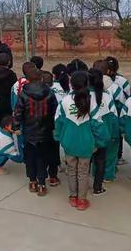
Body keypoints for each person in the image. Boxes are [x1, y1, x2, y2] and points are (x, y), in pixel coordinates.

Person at [54, 71, 109, 211]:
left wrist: (60, 138)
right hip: (86, 144)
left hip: (69, 143)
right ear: (87, 84)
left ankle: (72, 197)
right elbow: (98, 125)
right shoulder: (92, 102)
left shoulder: (65, 101)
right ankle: (82, 201)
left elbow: (58, 122)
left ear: (71, 84)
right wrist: (100, 143)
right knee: (83, 172)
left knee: (71, 170)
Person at [13, 66, 57, 197]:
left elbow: (18, 112)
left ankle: (32, 181)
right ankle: (42, 184)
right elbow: (55, 111)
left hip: (29, 132)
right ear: (41, 77)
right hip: (46, 131)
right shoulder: (49, 92)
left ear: (27, 79)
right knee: (42, 158)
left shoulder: (23, 94)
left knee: (30, 157)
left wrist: (16, 127)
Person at [93, 60, 124, 182]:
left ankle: (95, 173)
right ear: (108, 71)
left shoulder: (88, 86)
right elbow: (121, 105)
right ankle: (108, 175)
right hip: (110, 123)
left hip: (94, 123)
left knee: (95, 150)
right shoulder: (115, 87)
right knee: (111, 151)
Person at [88, 68, 118, 195]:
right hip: (104, 134)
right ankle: (100, 185)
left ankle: (83, 183)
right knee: (103, 159)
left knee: (85, 160)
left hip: (87, 134)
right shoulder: (106, 96)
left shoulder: (81, 95)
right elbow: (113, 116)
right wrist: (113, 134)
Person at [105, 56, 131, 165]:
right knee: (117, 134)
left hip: (105, 111)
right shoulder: (122, 80)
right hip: (118, 111)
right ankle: (118, 156)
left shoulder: (97, 78)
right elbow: (129, 93)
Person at [41, 70, 61, 187]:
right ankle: (53, 177)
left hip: (39, 128)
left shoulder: (35, 93)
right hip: (53, 127)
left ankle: (41, 178)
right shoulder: (55, 94)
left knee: (42, 153)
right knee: (54, 152)